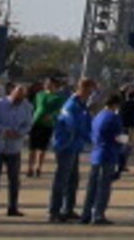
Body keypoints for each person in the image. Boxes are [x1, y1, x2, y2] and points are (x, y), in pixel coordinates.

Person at [50, 81, 99, 224]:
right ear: (82, 89)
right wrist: (91, 139)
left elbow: (88, 123)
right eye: (89, 91)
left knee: (73, 179)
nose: (90, 95)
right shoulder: (71, 105)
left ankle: (68, 208)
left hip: (75, 146)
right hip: (66, 146)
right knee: (62, 179)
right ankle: (54, 210)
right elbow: (74, 126)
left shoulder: (82, 106)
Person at [0, 82, 34, 217]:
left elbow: (29, 124)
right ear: (11, 93)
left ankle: (12, 207)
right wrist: (2, 131)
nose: (18, 100)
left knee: (14, 179)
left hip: (14, 147)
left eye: (21, 97)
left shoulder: (27, 107)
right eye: (16, 96)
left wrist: (20, 132)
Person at [84, 89, 130, 226]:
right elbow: (119, 137)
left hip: (96, 153)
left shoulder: (98, 116)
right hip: (108, 153)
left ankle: (87, 213)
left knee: (92, 186)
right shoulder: (113, 118)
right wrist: (127, 142)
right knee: (103, 187)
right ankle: (98, 214)